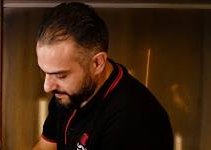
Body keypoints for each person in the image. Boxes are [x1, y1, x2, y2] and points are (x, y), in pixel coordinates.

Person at [33, 2, 173, 150]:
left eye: (60, 75)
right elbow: (46, 146)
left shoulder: (133, 122)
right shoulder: (68, 93)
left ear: (98, 63)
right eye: (44, 72)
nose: (47, 87)